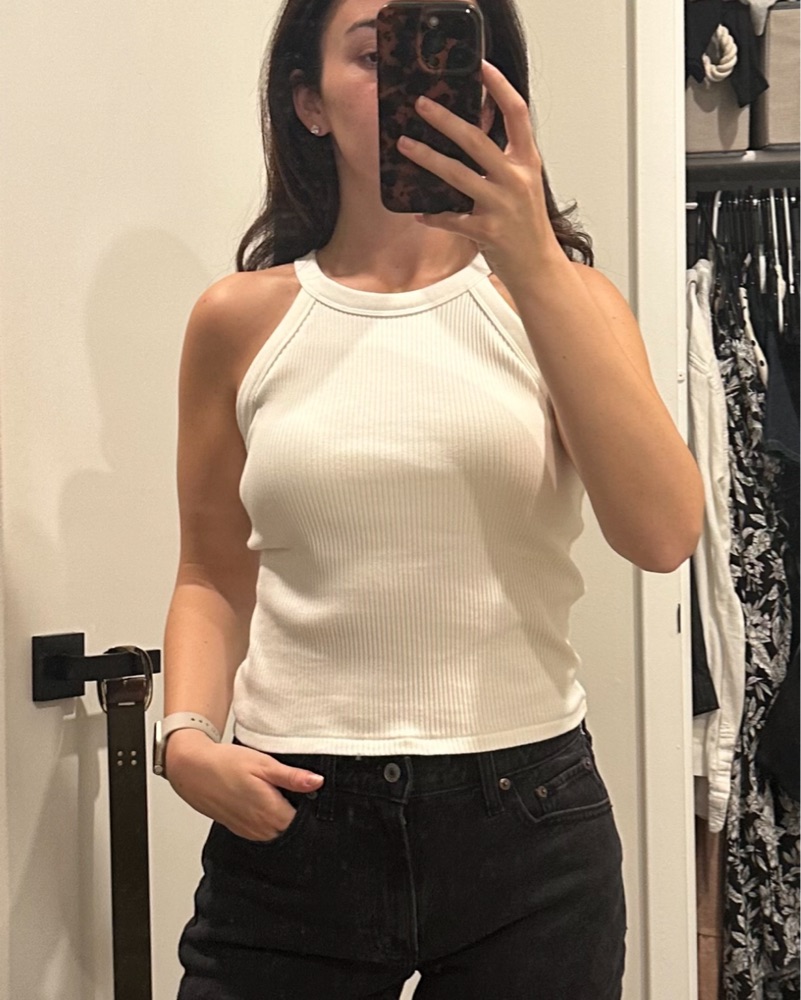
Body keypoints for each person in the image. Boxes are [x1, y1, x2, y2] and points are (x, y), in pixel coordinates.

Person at [159, 0, 704, 997]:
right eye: (374, 55)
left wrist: (532, 261)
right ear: (307, 102)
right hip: (292, 818)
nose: (409, 84)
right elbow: (211, 569)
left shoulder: (564, 301)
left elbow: (663, 534)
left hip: (527, 824)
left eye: (444, 51)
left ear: (491, 91)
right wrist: (184, 736)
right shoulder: (238, 320)